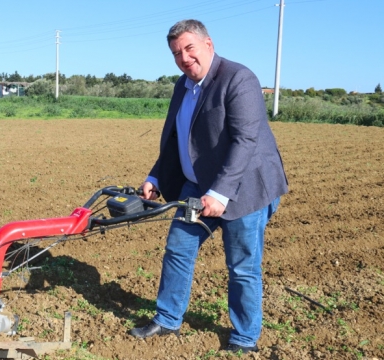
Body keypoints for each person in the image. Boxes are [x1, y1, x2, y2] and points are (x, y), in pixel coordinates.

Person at [129, 19, 288, 354]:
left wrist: (219, 193)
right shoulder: (183, 86)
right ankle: (168, 318)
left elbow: (245, 141)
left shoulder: (239, 79)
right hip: (197, 184)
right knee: (178, 249)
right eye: (176, 53)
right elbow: (176, 139)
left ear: (208, 45)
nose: (184, 58)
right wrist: (156, 176)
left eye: (189, 48)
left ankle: (245, 338)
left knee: (242, 266)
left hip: (244, 187)